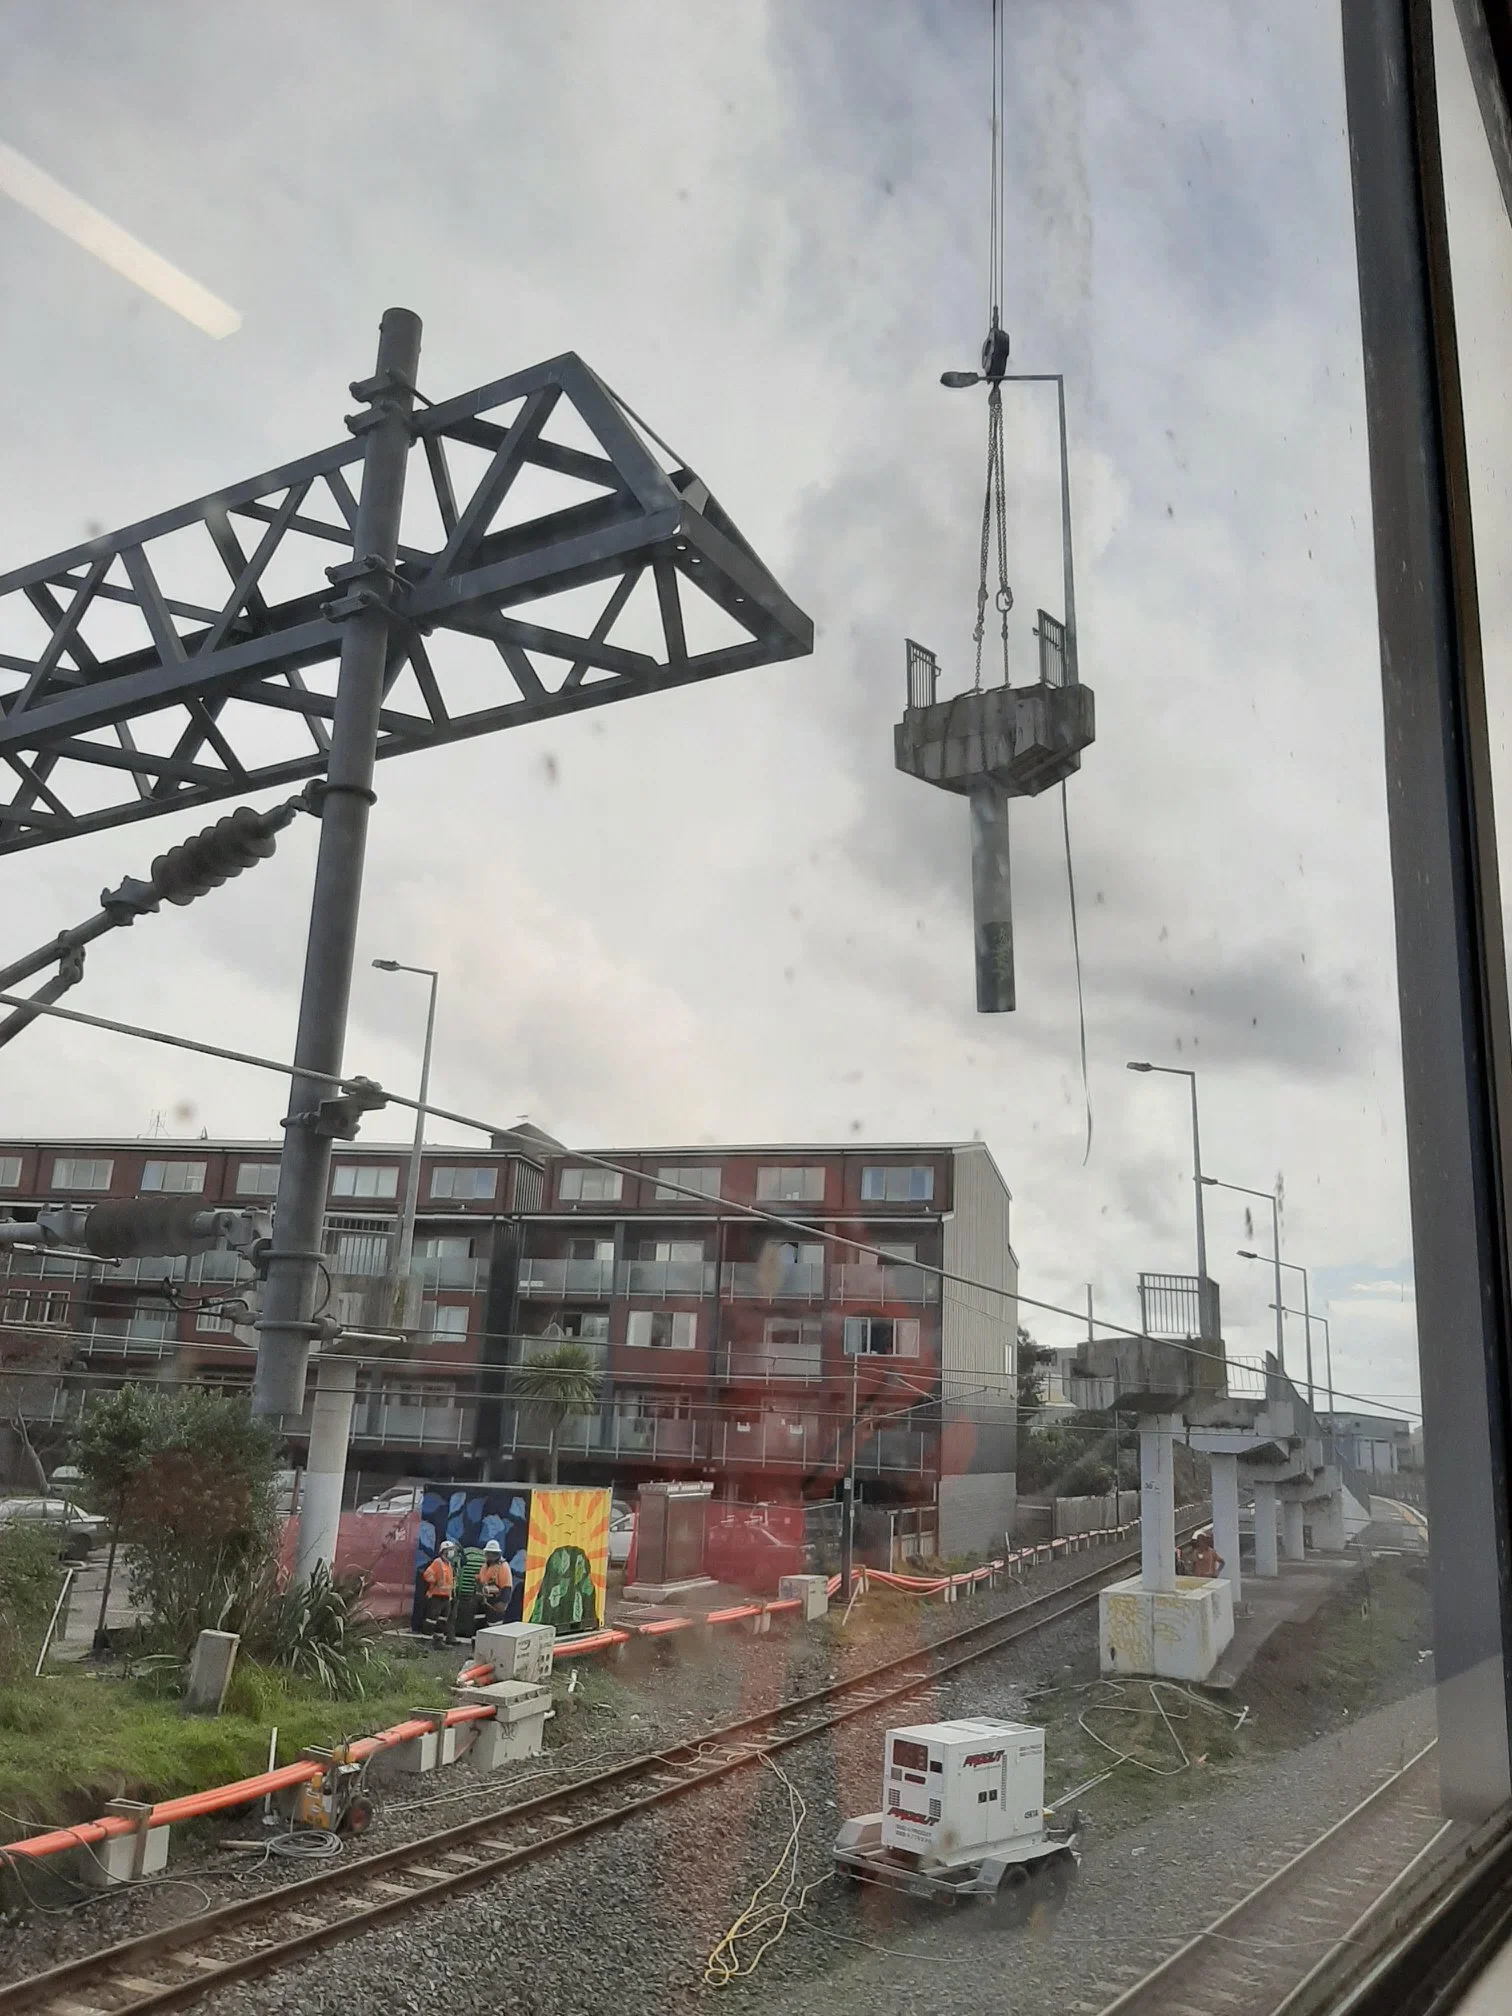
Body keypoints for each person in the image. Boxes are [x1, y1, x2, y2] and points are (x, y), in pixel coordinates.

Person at [422, 1540, 458, 1644]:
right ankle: (425, 1640)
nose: (452, 1552)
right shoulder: (438, 1562)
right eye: (450, 1550)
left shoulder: (449, 1564)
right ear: (444, 1551)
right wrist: (435, 1581)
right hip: (436, 1596)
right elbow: (427, 1575)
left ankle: (438, 1641)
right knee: (431, 1619)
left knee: (442, 1620)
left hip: (446, 1597)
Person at [477, 1538, 514, 1627]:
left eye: (492, 1553)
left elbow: (507, 1587)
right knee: (481, 1622)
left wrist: (503, 1603)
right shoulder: (485, 1565)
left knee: (494, 1624)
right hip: (484, 1600)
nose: (490, 1555)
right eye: (488, 1552)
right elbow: (482, 1580)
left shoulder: (503, 1566)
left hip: (496, 1602)